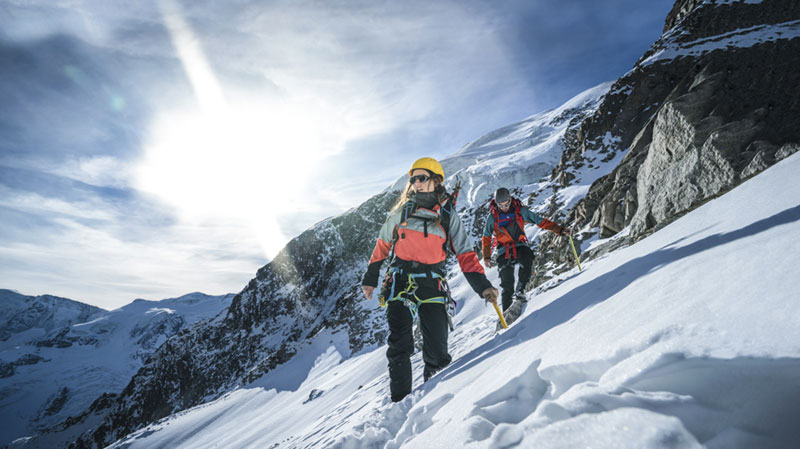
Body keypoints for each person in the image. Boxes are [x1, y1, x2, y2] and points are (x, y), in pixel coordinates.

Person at [362, 157, 498, 403]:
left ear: (436, 181)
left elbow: (466, 254)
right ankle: (400, 403)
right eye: (413, 179)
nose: (416, 183)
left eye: (422, 178)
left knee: (437, 350)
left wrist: (483, 286)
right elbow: (382, 245)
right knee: (399, 345)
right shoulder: (401, 212)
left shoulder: (448, 216)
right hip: (400, 281)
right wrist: (370, 279)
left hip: (432, 283)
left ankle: (434, 403)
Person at [481, 187, 571, 324]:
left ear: (510, 200)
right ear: (496, 203)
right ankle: (506, 315)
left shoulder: (520, 211)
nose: (504, 207)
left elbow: (540, 221)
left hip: (520, 245)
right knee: (506, 283)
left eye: (506, 204)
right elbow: (486, 237)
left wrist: (559, 229)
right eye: (501, 205)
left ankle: (520, 291)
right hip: (503, 250)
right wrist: (486, 256)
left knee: (527, 259)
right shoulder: (492, 217)